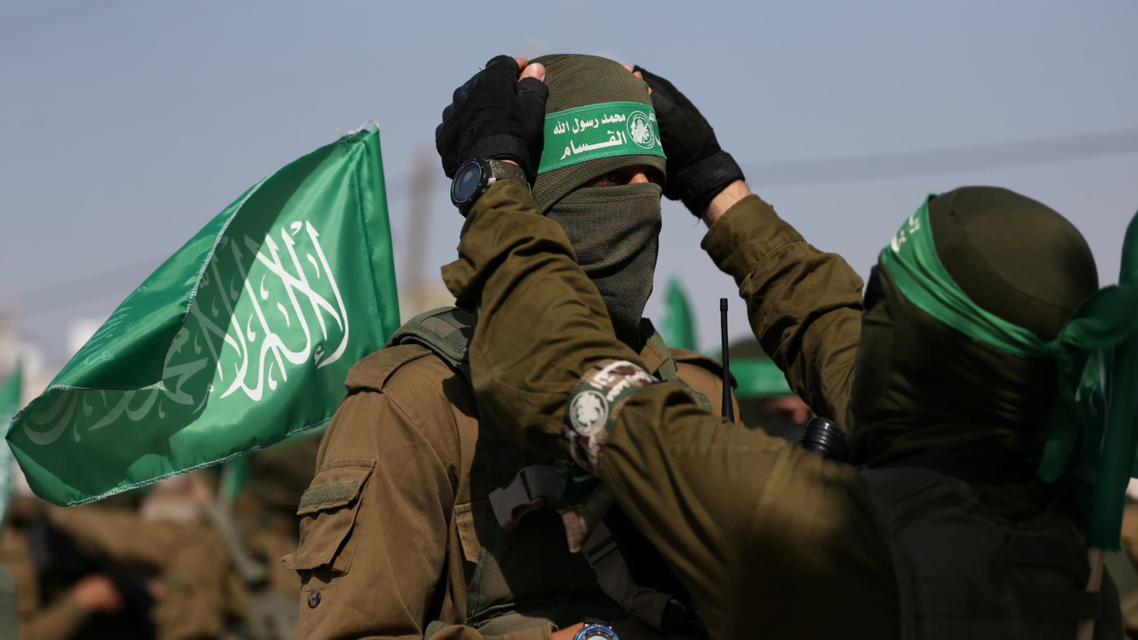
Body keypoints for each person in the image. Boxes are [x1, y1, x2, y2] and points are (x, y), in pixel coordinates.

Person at [435, 56, 1129, 639]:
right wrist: (718, 186)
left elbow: (562, 368)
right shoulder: (1066, 542)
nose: (860, 321)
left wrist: (493, 185)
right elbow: (844, 346)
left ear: (922, 355)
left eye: (879, 301)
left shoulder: (824, 535)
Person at [286, 55, 740, 640]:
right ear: (541, 193)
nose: (642, 202)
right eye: (610, 179)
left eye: (652, 179)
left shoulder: (696, 390)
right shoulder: (417, 401)